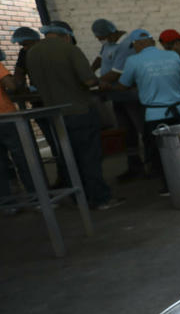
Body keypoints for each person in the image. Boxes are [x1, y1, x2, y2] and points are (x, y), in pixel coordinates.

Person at [24, 22, 122, 210]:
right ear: (67, 34)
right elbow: (88, 80)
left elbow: (35, 82)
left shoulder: (32, 53)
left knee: (69, 157)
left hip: (54, 115)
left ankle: (79, 198)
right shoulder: (69, 49)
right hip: (79, 111)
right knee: (89, 157)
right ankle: (100, 198)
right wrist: (101, 83)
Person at [113, 29, 180, 195]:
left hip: (156, 115)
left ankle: (169, 187)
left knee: (160, 152)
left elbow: (123, 85)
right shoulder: (173, 56)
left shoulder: (133, 60)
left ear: (137, 45)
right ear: (153, 42)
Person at [91, 18, 145, 181]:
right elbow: (100, 58)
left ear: (111, 32)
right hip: (116, 95)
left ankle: (154, 165)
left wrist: (95, 82)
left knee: (142, 129)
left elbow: (117, 73)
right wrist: (89, 72)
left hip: (130, 95)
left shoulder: (126, 45)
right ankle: (134, 166)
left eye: (102, 37)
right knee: (126, 134)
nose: (101, 40)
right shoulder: (110, 43)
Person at [12, 26, 64, 185]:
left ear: (36, 40)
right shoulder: (25, 54)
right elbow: (19, 74)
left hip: (58, 101)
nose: (25, 48)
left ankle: (71, 178)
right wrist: (20, 86)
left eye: (27, 44)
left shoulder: (48, 50)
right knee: (54, 143)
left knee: (65, 142)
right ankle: (63, 177)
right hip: (39, 102)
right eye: (23, 45)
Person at [0, 58, 35, 213]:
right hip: (5, 116)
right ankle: (37, 197)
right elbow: (11, 86)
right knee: (22, 157)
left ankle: (7, 204)